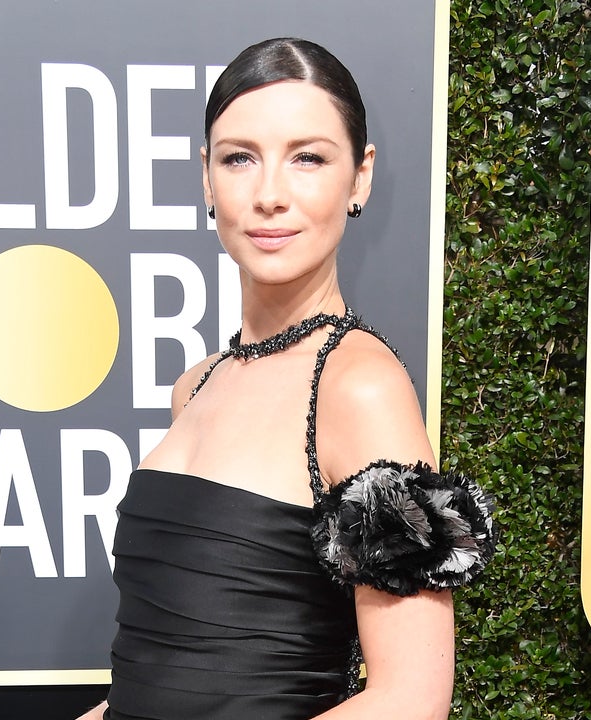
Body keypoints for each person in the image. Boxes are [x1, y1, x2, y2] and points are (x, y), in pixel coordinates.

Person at [79, 37, 495, 720]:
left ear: (359, 177)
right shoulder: (196, 386)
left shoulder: (358, 385)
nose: (269, 195)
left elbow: (411, 700)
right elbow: (159, 681)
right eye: (239, 158)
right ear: (207, 178)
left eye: (308, 158)